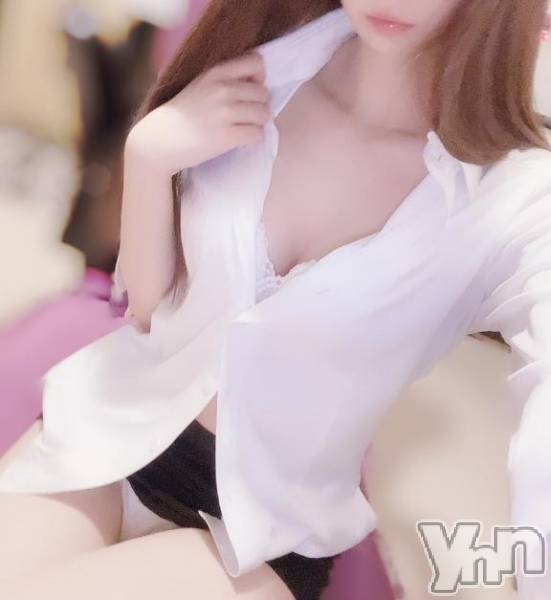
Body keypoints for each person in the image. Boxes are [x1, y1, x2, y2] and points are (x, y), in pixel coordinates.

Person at [1, 1, 551, 599]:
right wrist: (150, 155)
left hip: (256, 531)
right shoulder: (259, 64)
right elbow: (152, 312)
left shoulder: (513, 199)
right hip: (110, 431)